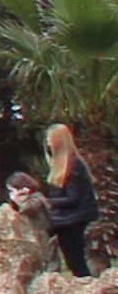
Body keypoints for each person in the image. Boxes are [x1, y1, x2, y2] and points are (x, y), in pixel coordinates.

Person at [48, 122, 100, 284]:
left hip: (74, 219)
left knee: (76, 260)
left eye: (50, 139)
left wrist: (48, 202)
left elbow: (73, 198)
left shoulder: (73, 164)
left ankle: (86, 288)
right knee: (72, 260)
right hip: (67, 220)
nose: (48, 143)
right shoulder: (61, 164)